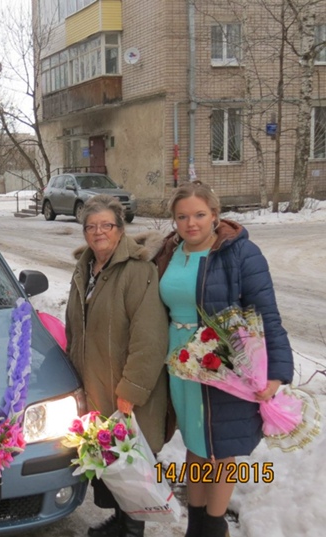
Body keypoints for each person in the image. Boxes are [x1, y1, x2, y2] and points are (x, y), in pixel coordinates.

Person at [154, 181, 293, 537]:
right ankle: (197, 524)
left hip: (222, 363)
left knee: (219, 447)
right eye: (182, 217)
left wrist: (276, 373)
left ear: (215, 215)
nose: (191, 223)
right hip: (180, 362)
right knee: (195, 442)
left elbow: (266, 313)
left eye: (200, 215)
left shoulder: (240, 254)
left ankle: (214, 526)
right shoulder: (169, 252)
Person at [65, 195, 169, 537]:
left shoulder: (138, 271)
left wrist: (132, 389)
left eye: (106, 225)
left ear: (121, 229)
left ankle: (133, 529)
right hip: (94, 382)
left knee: (133, 458)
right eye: (91, 226)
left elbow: (150, 336)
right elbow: (74, 326)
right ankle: (121, 521)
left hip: (125, 386)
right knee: (110, 457)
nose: (98, 232)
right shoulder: (85, 269)